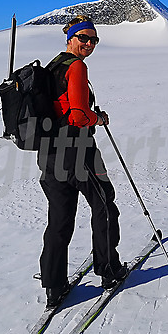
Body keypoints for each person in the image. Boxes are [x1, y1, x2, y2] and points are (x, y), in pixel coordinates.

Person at [38, 16, 126, 307]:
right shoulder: (76, 66)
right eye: (84, 38)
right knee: (104, 205)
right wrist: (98, 118)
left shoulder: (52, 66)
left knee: (59, 220)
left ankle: (54, 285)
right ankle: (109, 270)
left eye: (94, 40)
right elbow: (76, 115)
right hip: (77, 150)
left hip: (49, 154)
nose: (89, 44)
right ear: (70, 38)